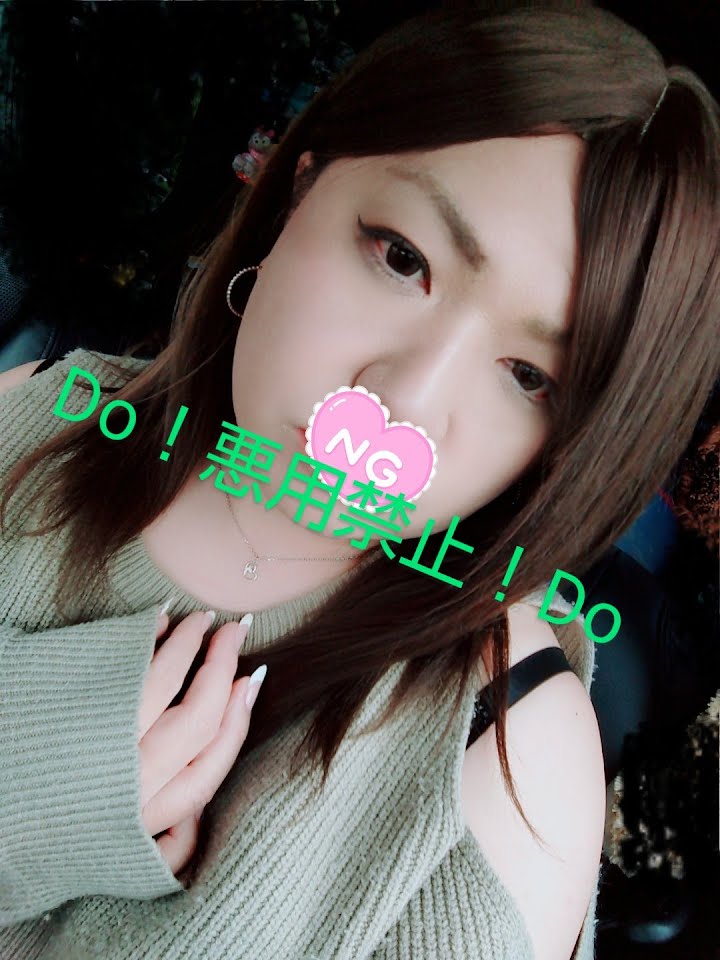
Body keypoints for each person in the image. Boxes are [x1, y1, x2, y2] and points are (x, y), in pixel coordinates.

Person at [0, 4, 718, 959]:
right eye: (403, 258)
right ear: (298, 190)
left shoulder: (511, 763)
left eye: (529, 376)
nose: (405, 401)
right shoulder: (37, 417)